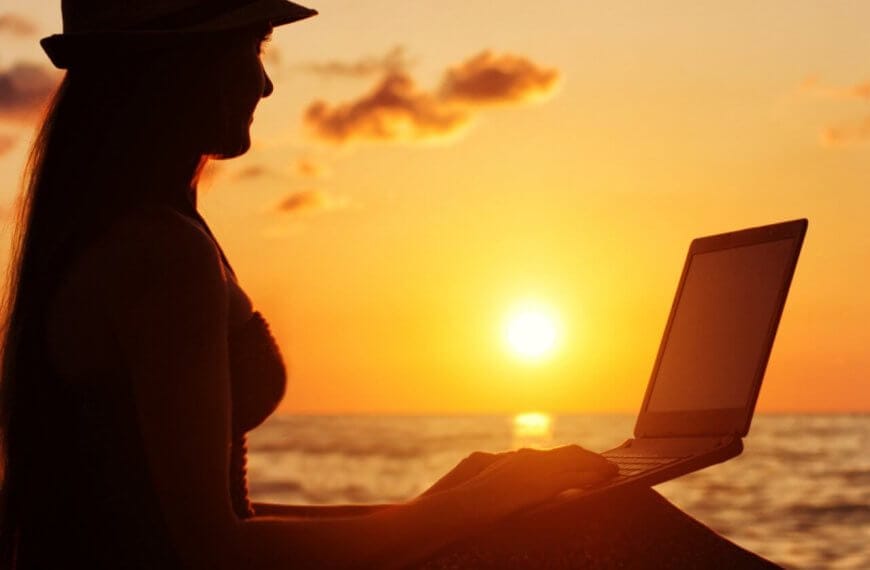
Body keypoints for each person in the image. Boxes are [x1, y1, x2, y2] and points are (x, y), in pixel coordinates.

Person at [0, 1, 780, 568]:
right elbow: (217, 554)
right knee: (617, 531)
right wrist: (475, 508)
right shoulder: (157, 258)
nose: (264, 85)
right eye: (253, 47)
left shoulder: (130, 234)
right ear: (174, 68)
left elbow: (198, 528)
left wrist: (457, 503)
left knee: (542, 502)